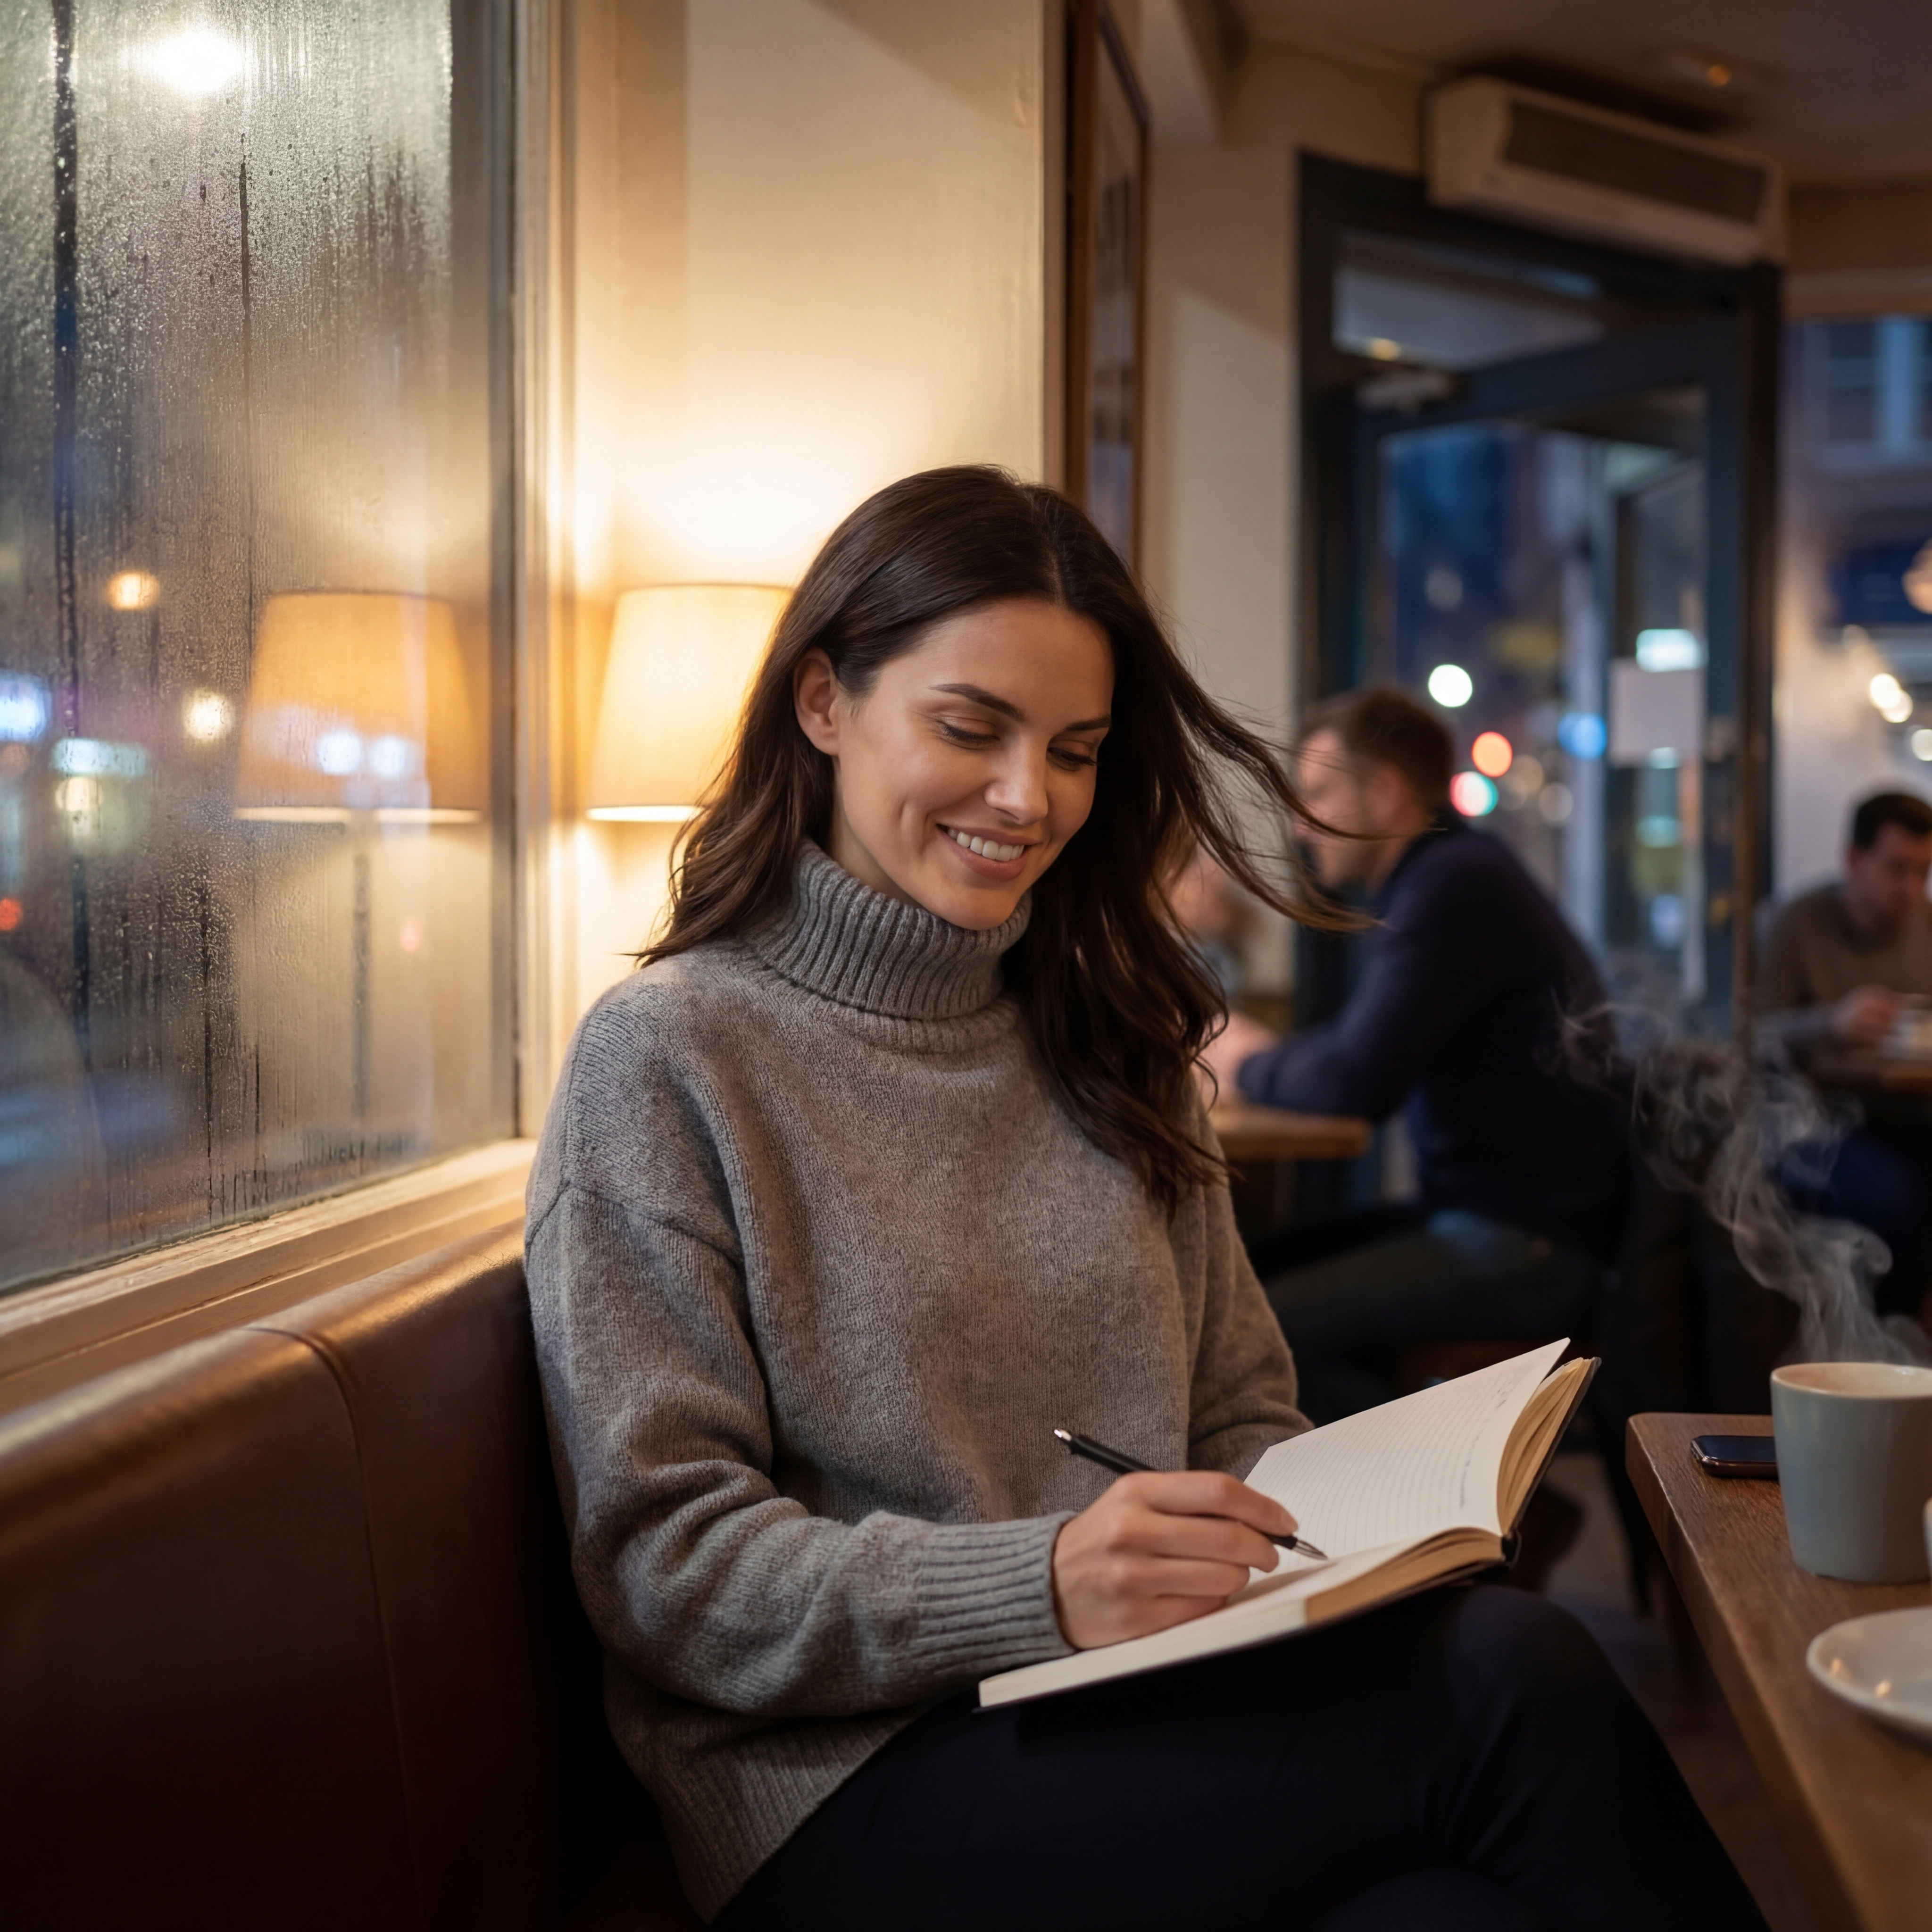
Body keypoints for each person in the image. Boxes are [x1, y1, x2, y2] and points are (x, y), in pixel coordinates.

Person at [525, 469, 1762, 1931]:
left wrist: (1348, 1550)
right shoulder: (670, 1055)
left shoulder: (1112, 1044)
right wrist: (1040, 1580)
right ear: (821, 702)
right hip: (843, 1787)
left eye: (1075, 749)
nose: (1027, 797)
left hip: (1142, 1703)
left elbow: (1243, 1408)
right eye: (970, 728)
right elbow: (667, 1570)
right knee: (1519, 1678)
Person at [1199, 687, 1626, 1423]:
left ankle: (1453, 1510)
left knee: (1258, 1332)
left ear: (1388, 790)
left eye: (1320, 793)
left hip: (1531, 1242)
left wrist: (1240, 1059)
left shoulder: (1455, 885)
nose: (1301, 825)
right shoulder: (1450, 877)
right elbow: (1352, 1054)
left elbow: (1352, 1082)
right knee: (1242, 1277)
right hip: (1488, 1219)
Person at [1759, 789, 1932, 1322]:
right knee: (1894, 1199)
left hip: (1908, 1113)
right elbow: (1751, 1036)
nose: (1910, 889)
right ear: (1854, 859)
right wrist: (1829, 1022)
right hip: (1815, 1124)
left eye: (1922, 871)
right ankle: (1886, 1344)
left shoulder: (1925, 923)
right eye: (1896, 869)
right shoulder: (1794, 924)